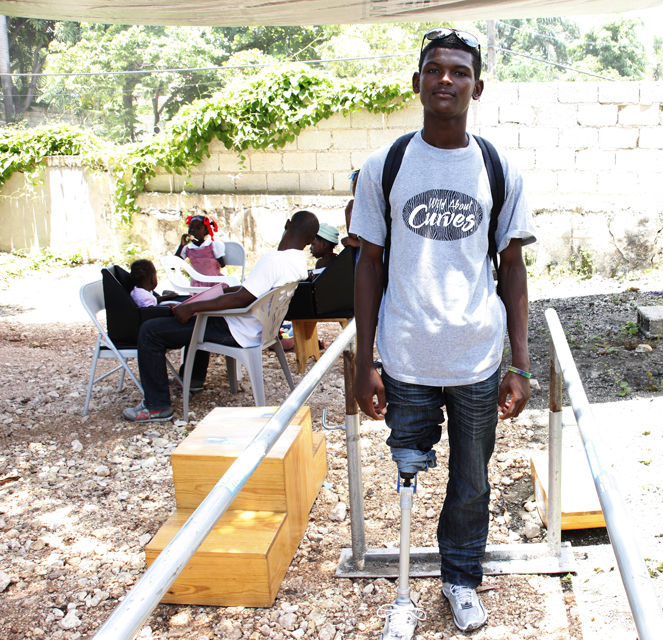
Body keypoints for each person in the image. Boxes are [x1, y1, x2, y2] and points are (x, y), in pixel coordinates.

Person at [351, 27, 536, 639]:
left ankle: (460, 580)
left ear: (477, 87)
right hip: (405, 357)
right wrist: (363, 360)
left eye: (459, 71)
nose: (446, 80)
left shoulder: (497, 167)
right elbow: (368, 264)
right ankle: (402, 592)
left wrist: (521, 363)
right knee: (406, 475)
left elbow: (512, 269)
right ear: (418, 82)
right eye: (435, 69)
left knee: (472, 480)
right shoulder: (386, 165)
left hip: (477, 360)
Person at [123, 210, 320, 423]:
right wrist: (209, 298)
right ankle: (194, 379)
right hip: (258, 328)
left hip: (236, 329)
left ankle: (156, 406)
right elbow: (250, 292)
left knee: (150, 331)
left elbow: (241, 300)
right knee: (194, 314)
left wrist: (192, 307)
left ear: (287, 224)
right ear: (311, 240)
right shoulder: (298, 263)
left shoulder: (273, 260)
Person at [175, 215, 226, 287]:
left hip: (215, 282)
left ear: (206, 232)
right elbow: (174, 265)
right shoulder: (187, 248)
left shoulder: (213, 246)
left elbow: (222, 264)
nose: (192, 230)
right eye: (190, 227)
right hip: (198, 285)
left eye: (198, 228)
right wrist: (181, 246)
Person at [342, 169, 362, 250]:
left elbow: (379, 241)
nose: (356, 189)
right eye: (354, 186)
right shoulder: (353, 208)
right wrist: (347, 213)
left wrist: (356, 244)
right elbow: (353, 237)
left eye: (360, 186)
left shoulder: (376, 208)